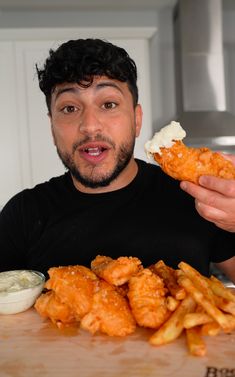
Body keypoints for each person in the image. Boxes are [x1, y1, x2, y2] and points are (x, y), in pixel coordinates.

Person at [0, 38, 234, 282]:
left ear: (137, 120)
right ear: (52, 127)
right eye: (69, 108)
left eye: (108, 104)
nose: (90, 126)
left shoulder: (200, 198)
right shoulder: (22, 215)